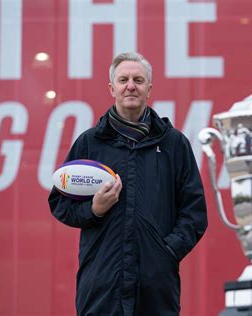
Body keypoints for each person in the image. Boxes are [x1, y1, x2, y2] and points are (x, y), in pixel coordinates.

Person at [48, 52, 208, 315]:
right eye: (123, 80)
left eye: (138, 79)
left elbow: (195, 212)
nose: (131, 85)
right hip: (101, 283)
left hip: (156, 286)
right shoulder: (90, 143)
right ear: (112, 88)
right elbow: (59, 203)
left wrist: (165, 253)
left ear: (149, 88)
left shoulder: (174, 144)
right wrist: (94, 210)